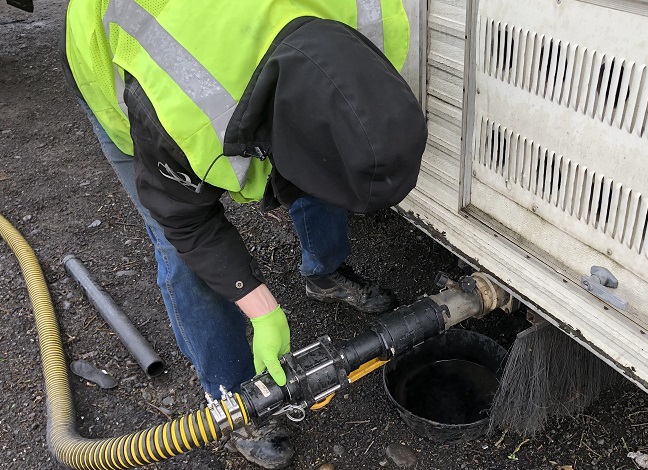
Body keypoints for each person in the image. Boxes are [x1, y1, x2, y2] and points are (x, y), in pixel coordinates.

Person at [62, 1, 427, 468]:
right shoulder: (182, 106)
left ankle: (324, 271)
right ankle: (234, 399)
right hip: (113, 65)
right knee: (181, 253)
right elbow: (187, 222)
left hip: (234, 51)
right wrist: (261, 309)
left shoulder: (370, 26)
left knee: (326, 166)